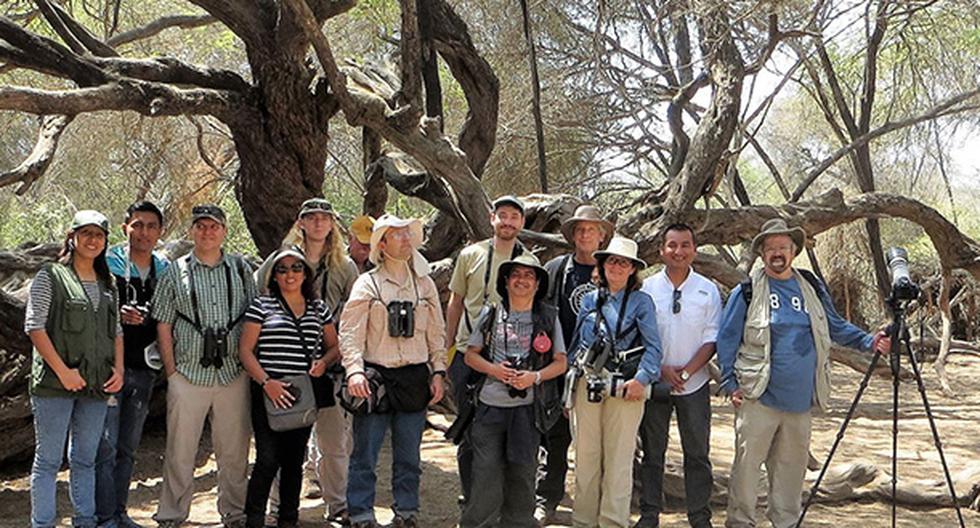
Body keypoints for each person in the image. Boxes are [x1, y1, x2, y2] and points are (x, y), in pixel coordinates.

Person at [717, 219, 890, 528]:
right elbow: (727, 338)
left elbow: (834, 325)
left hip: (800, 401)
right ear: (762, 253)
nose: (777, 253)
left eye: (783, 247)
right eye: (770, 249)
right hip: (758, 397)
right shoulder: (746, 291)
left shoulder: (809, 286)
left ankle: (785, 522)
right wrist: (729, 382)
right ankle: (740, 522)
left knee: (790, 470)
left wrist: (868, 340)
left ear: (794, 250)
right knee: (747, 469)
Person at [151, 204, 258, 528]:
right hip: (187, 374)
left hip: (233, 374)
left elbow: (255, 319)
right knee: (180, 451)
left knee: (234, 452)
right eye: (201, 226)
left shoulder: (240, 270)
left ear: (224, 230)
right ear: (192, 231)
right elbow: (163, 323)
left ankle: (234, 512)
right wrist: (171, 371)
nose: (207, 232)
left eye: (214, 226)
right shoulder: (175, 271)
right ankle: (172, 513)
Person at [339, 214, 448, 528]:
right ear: (381, 244)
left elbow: (436, 333)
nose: (405, 240)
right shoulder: (366, 283)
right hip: (375, 378)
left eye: (407, 234)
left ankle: (407, 512)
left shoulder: (424, 284)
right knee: (365, 454)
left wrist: (438, 371)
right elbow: (350, 333)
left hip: (414, 376)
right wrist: (355, 372)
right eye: (397, 235)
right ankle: (360, 513)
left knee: (409, 456)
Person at [255, 198, 359, 525]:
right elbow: (260, 299)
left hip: (329, 366)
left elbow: (353, 316)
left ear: (332, 224)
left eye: (324, 218)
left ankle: (337, 504)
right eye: (311, 218)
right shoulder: (280, 261)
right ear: (300, 223)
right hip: (285, 367)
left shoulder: (346, 267)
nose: (317, 224)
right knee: (282, 443)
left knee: (334, 442)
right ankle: (278, 507)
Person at [25, 210, 125, 528]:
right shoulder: (50, 276)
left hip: (96, 385)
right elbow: (34, 327)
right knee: (49, 461)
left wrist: (119, 370)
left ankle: (85, 520)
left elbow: (118, 332)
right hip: (55, 386)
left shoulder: (109, 284)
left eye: (99, 234)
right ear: (73, 237)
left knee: (85, 459)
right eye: (86, 233)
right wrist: (63, 372)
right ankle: (43, 523)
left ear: (106, 241)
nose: (92, 240)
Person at [459, 254, 568, 528]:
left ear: (538, 283)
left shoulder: (548, 316)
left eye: (529, 275)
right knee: (485, 472)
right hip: (489, 407)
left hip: (527, 410)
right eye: (516, 275)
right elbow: (471, 356)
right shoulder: (491, 312)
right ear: (505, 281)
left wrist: (535, 376)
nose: (522, 280)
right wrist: (495, 370)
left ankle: (518, 523)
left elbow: (561, 362)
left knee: (522, 471)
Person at [239, 246, 340, 528]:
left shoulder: (319, 308)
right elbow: (246, 350)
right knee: (267, 459)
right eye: (282, 269)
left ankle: (288, 519)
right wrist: (266, 383)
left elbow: (335, 346)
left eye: (296, 268)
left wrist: (323, 362)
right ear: (273, 275)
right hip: (268, 391)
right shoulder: (262, 306)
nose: (290, 274)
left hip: (302, 394)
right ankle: (255, 520)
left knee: (294, 462)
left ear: (306, 273)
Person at [568, 236, 663, 528]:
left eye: (624, 262)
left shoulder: (642, 302)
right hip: (587, 384)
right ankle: (583, 521)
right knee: (585, 457)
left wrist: (641, 379)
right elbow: (575, 345)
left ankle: (613, 522)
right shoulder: (589, 299)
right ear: (602, 265)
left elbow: (654, 348)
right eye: (612, 261)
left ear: (633, 269)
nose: (617, 267)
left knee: (620, 459)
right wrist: (568, 392)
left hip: (625, 386)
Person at [445, 195, 533, 506]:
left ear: (522, 223)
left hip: (514, 356)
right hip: (469, 353)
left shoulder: (529, 261)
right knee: (469, 424)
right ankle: (471, 494)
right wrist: (447, 350)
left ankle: (507, 501)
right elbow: (455, 303)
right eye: (503, 215)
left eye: (515, 217)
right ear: (492, 217)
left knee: (513, 429)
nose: (508, 222)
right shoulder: (470, 254)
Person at [636, 224, 721, 528]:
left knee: (697, 452)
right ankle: (649, 514)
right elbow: (639, 334)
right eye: (672, 245)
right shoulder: (646, 289)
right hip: (655, 381)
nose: (678, 251)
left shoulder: (707, 289)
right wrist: (660, 369)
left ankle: (699, 516)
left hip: (694, 384)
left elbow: (712, 339)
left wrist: (686, 372)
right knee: (653, 451)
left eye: (685, 245)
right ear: (661, 250)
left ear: (694, 250)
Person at [536, 204, 613, 524]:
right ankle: (546, 499)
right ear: (572, 236)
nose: (585, 234)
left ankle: (598, 503)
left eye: (591, 229)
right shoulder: (556, 268)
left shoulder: (613, 269)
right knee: (553, 437)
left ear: (602, 235)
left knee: (600, 439)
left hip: (599, 370)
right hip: (558, 365)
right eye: (579, 229)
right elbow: (540, 310)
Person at [96, 201, 170, 528]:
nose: (143, 232)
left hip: (143, 369)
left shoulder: (164, 270)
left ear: (160, 232)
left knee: (127, 446)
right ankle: (100, 515)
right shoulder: (106, 262)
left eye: (151, 226)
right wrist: (118, 314)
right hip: (107, 369)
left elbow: (171, 316)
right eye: (137, 225)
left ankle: (119, 513)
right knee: (105, 445)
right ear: (126, 227)